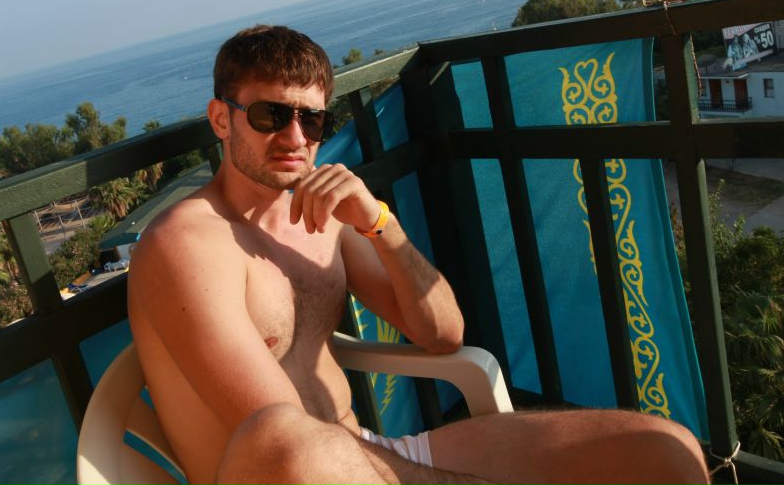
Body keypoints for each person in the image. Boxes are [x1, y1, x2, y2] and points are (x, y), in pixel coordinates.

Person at [128, 25, 709, 484]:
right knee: (291, 438)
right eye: (270, 115)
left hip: (364, 451)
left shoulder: (321, 216)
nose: (296, 137)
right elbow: (288, 444)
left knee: (665, 451)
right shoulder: (187, 246)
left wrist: (381, 224)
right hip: (291, 471)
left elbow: (443, 335)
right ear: (221, 119)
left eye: (312, 119)